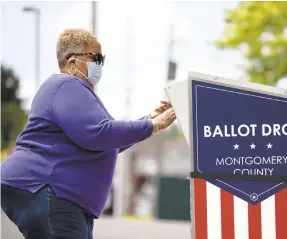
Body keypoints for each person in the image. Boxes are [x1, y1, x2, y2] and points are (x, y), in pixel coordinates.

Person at [1, 28, 176, 239]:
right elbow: (99, 133)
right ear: (72, 63)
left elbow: (108, 141)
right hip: (50, 189)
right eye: (96, 58)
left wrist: (149, 119)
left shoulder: (71, 91)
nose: (100, 65)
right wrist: (153, 125)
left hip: (58, 195)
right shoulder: (67, 85)